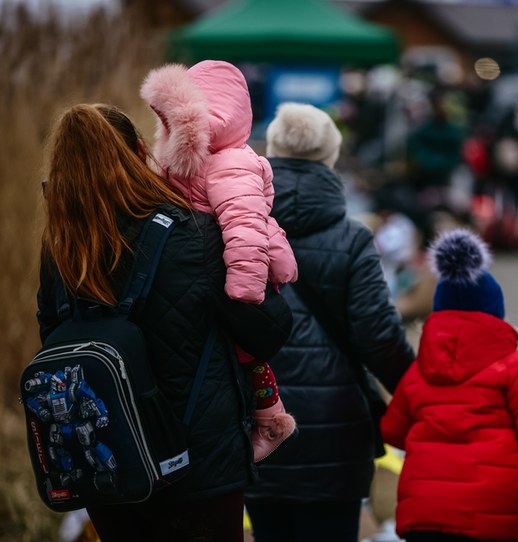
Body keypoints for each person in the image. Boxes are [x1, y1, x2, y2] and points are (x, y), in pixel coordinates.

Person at [37, 103, 293, 541]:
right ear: (141, 153)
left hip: (107, 464)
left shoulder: (60, 251)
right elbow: (269, 330)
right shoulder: (192, 233)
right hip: (199, 466)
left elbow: (51, 340)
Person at [244, 102, 415, 542]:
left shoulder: (240, 232)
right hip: (338, 434)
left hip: (259, 423)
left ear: (272, 152)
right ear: (331, 157)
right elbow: (379, 339)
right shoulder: (353, 238)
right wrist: (421, 394)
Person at [140, 60, 298, 461]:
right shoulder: (187, 161)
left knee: (247, 355)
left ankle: (272, 420)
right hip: (217, 270)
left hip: (239, 275)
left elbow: (245, 225)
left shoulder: (233, 162)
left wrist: (244, 289)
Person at [380, 228, 518, 542]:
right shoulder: (517, 370)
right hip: (497, 515)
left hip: (427, 514)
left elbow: (393, 432)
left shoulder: (419, 372)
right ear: (496, 314)